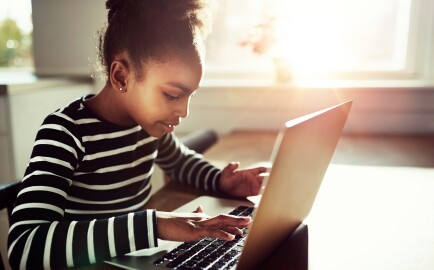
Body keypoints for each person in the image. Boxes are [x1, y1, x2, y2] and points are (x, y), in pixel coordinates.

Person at [7, 0, 267, 269]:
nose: (183, 111)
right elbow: (24, 248)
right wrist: (154, 225)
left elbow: (180, 162)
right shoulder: (66, 132)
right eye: (173, 95)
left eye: (189, 95)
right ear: (121, 76)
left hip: (129, 260)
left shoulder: (147, 127)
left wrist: (219, 180)